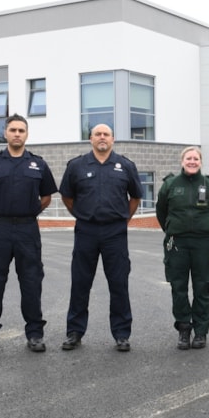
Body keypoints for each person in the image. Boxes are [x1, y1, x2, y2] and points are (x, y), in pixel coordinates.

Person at [0, 114, 58, 354]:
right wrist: (0, 211)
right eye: (13, 130)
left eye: (21, 130)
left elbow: (47, 196)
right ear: (5, 133)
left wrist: (28, 213)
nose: (17, 134)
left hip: (28, 229)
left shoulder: (38, 164)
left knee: (31, 282)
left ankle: (35, 334)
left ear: (27, 134)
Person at [59, 124, 143, 352]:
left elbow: (135, 197)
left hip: (115, 233)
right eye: (98, 134)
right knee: (80, 282)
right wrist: (80, 214)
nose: (102, 137)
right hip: (86, 231)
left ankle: (122, 334)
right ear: (91, 139)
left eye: (106, 134)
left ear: (113, 139)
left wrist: (123, 218)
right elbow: (67, 196)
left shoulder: (125, 166)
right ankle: (74, 332)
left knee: (118, 283)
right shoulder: (76, 166)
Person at [155, 147, 209, 350]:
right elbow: (162, 213)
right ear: (182, 161)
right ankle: (184, 328)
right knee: (178, 288)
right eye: (189, 158)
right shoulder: (170, 184)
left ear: (201, 161)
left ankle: (201, 332)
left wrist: (206, 227)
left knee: (202, 287)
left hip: (204, 243)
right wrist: (172, 229)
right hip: (177, 243)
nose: (192, 161)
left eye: (196, 158)